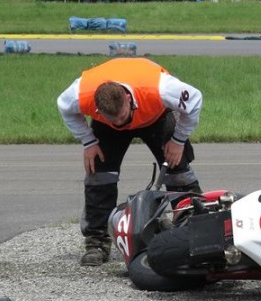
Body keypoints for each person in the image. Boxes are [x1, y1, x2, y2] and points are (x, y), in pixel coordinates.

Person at [57, 57, 204, 266]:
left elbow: (195, 99)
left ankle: (193, 228)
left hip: (154, 115)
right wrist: (88, 141)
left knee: (177, 169)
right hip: (104, 127)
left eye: (122, 116)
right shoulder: (80, 93)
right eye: (113, 119)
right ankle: (96, 242)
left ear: (127, 97)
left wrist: (178, 140)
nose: (120, 123)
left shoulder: (160, 88)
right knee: (98, 175)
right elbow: (64, 107)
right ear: (98, 109)